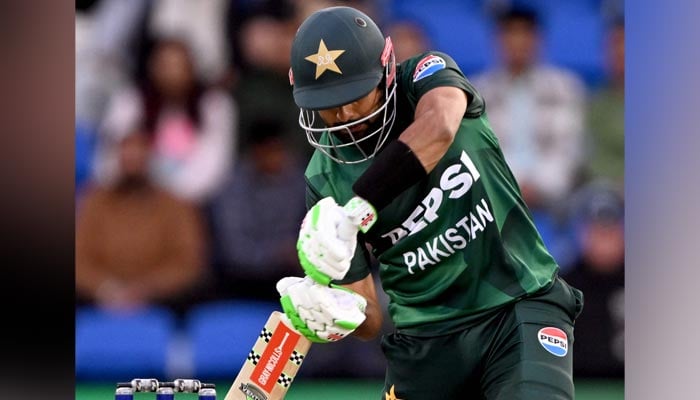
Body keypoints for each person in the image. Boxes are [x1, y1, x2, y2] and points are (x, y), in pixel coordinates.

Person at [273, 6, 584, 400]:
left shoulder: (426, 75)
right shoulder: (323, 177)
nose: (345, 115)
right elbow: (369, 317)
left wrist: (359, 208)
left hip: (517, 305)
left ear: (386, 70)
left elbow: (439, 127)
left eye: (354, 96)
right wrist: (335, 309)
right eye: (329, 103)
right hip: (423, 342)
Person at [76, 128, 208, 314]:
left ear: (151, 158)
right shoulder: (94, 203)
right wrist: (105, 288)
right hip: (99, 301)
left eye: (139, 153)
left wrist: (146, 290)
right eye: (127, 154)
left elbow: (188, 262)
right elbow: (79, 260)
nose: (133, 159)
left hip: (162, 303)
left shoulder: (176, 206)